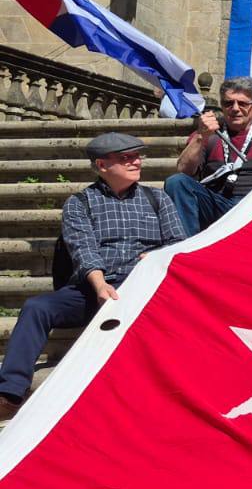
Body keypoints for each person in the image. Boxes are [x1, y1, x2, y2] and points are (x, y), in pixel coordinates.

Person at [0, 133, 186, 419]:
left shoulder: (157, 198)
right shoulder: (79, 203)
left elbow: (179, 243)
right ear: (102, 165)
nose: (136, 162)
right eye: (126, 158)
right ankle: (10, 393)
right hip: (94, 286)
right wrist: (100, 285)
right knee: (37, 307)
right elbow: (83, 249)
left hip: (144, 285)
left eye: (137, 156)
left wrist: (158, 257)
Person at [166, 78, 252, 235]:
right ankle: (185, 247)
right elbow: (184, 170)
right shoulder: (208, 133)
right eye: (228, 103)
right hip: (218, 204)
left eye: (243, 104)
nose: (235, 109)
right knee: (176, 182)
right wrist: (200, 137)